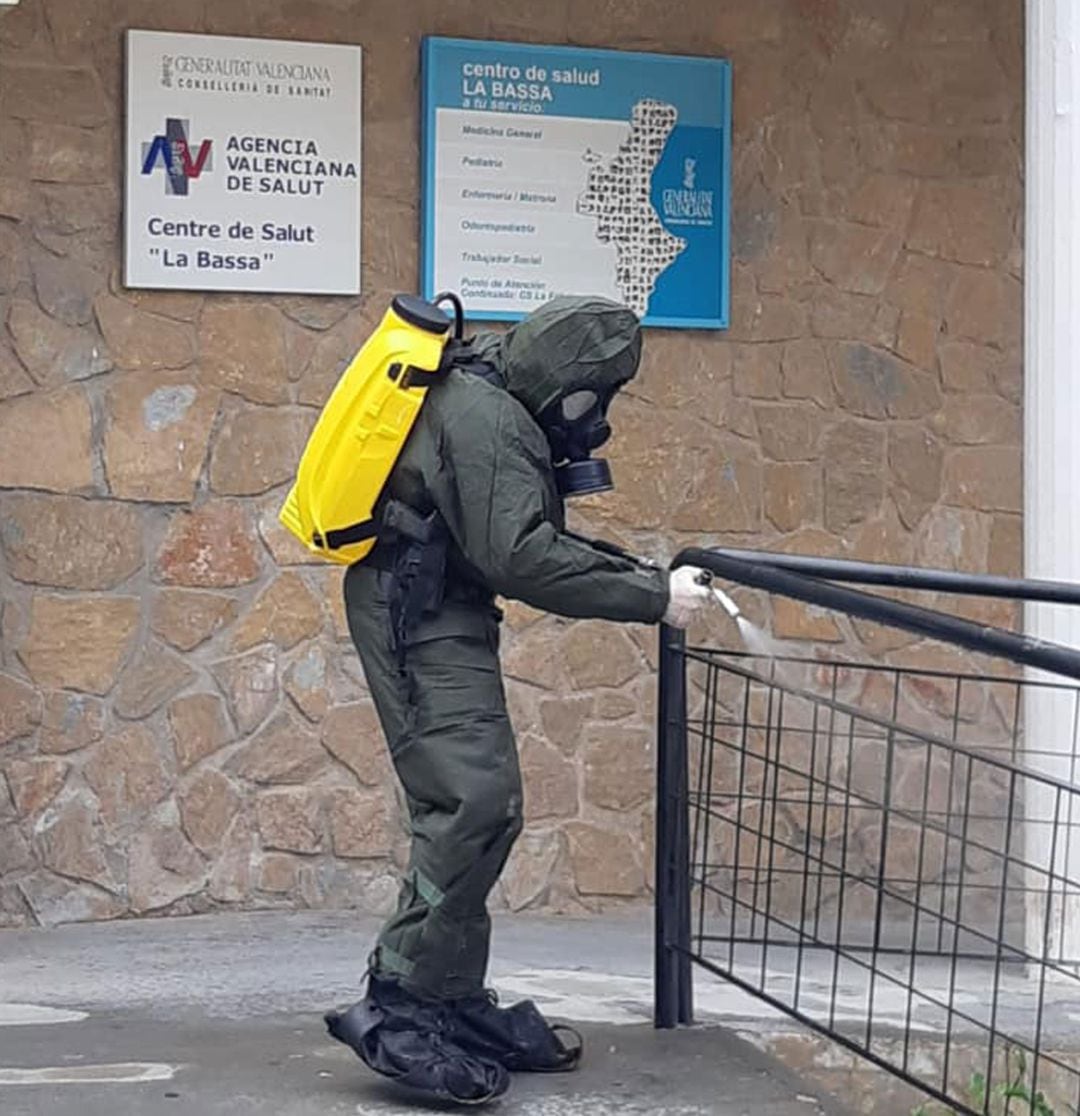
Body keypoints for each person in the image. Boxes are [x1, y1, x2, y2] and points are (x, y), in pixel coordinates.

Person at [326, 295, 714, 1104]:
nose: (594, 418)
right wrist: (651, 596)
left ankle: (451, 997)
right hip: (416, 610)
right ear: (566, 381)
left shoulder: (489, 396)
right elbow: (522, 556)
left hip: (437, 603)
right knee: (469, 803)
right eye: (593, 397)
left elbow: (517, 536)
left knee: (488, 808)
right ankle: (399, 1005)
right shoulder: (490, 420)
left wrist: (636, 577)